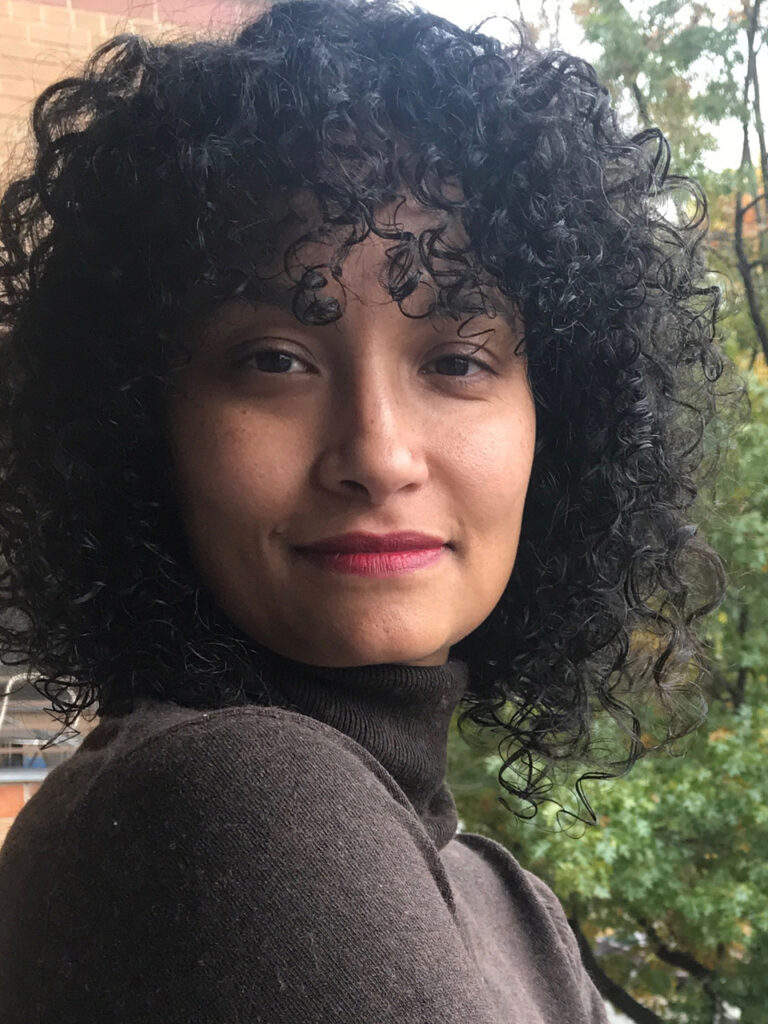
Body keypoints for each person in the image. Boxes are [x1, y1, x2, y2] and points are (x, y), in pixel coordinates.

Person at [0, 1, 726, 1021]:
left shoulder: (499, 891)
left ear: (555, 424)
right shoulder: (231, 798)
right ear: (139, 423)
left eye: (458, 360)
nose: (379, 456)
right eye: (274, 360)